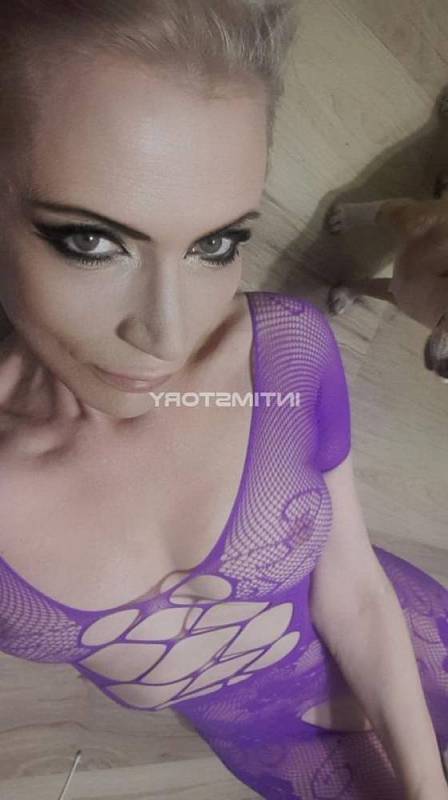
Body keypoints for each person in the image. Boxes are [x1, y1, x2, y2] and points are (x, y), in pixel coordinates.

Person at [0, 2, 446, 798]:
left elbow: (354, 588)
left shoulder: (282, 356)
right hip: (265, 743)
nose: (167, 336)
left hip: (416, 659)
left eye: (217, 244)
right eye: (90, 240)